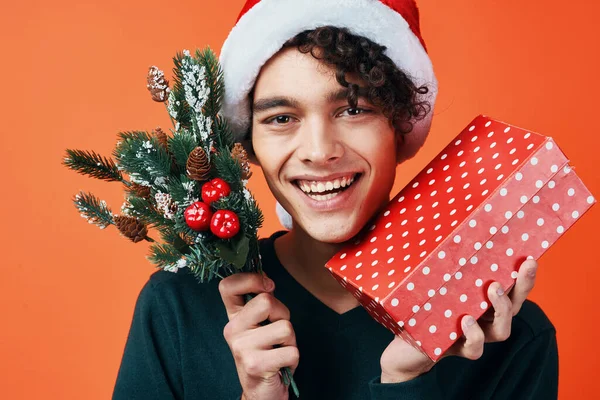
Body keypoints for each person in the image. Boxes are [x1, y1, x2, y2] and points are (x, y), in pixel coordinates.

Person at [113, 1, 559, 399]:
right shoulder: (178, 309)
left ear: (399, 124)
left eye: (353, 109)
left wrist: (407, 383)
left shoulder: (509, 338)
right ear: (249, 144)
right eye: (281, 117)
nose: (319, 150)